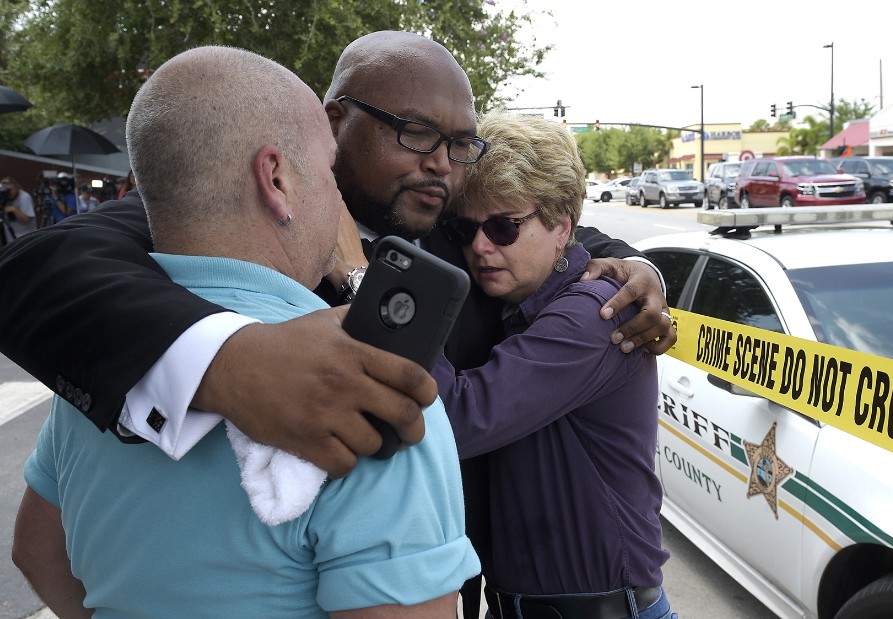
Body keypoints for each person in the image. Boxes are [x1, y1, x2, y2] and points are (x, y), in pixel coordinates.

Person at [11, 45, 479, 619]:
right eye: (415, 132)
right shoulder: (358, 391)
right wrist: (228, 360)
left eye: (461, 146)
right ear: (278, 177)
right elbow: (36, 264)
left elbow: (36, 551)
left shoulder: (100, 375)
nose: (443, 164)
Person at [430, 110, 673, 619]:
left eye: (504, 226)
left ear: (563, 226)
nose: (480, 246)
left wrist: (372, 287)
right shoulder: (522, 301)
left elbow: (456, 419)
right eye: (466, 228)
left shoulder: (593, 315)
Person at [1, 176, 37, 241]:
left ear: (17, 186)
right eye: (6, 190)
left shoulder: (24, 197)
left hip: (26, 236)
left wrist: (13, 209)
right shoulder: (5, 197)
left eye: (10, 190)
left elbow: (26, 220)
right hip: (12, 235)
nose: (9, 193)